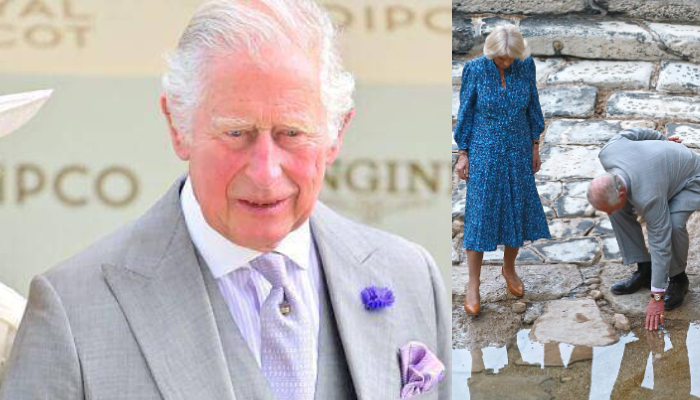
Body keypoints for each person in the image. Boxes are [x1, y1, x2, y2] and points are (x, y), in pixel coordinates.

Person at [0, 1, 450, 399]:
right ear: (179, 127)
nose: (265, 171)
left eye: (291, 133)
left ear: (336, 134)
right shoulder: (72, 312)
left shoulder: (411, 278)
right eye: (236, 133)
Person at [454, 25, 550, 315]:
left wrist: (535, 145)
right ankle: (473, 284)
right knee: (480, 214)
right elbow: (466, 112)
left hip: (518, 147)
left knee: (516, 208)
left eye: (509, 58)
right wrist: (462, 153)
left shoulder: (526, 66)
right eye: (500, 58)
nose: (505, 63)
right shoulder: (475, 69)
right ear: (491, 52)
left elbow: (533, 106)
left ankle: (509, 269)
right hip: (485, 149)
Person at [587, 127, 695, 331]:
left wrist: (657, 297)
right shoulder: (608, 152)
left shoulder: (649, 197)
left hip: (689, 180)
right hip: (656, 176)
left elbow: (660, 243)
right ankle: (645, 269)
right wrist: (662, 140)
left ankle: (679, 278)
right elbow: (633, 132)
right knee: (616, 211)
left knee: (673, 224)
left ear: (620, 193)